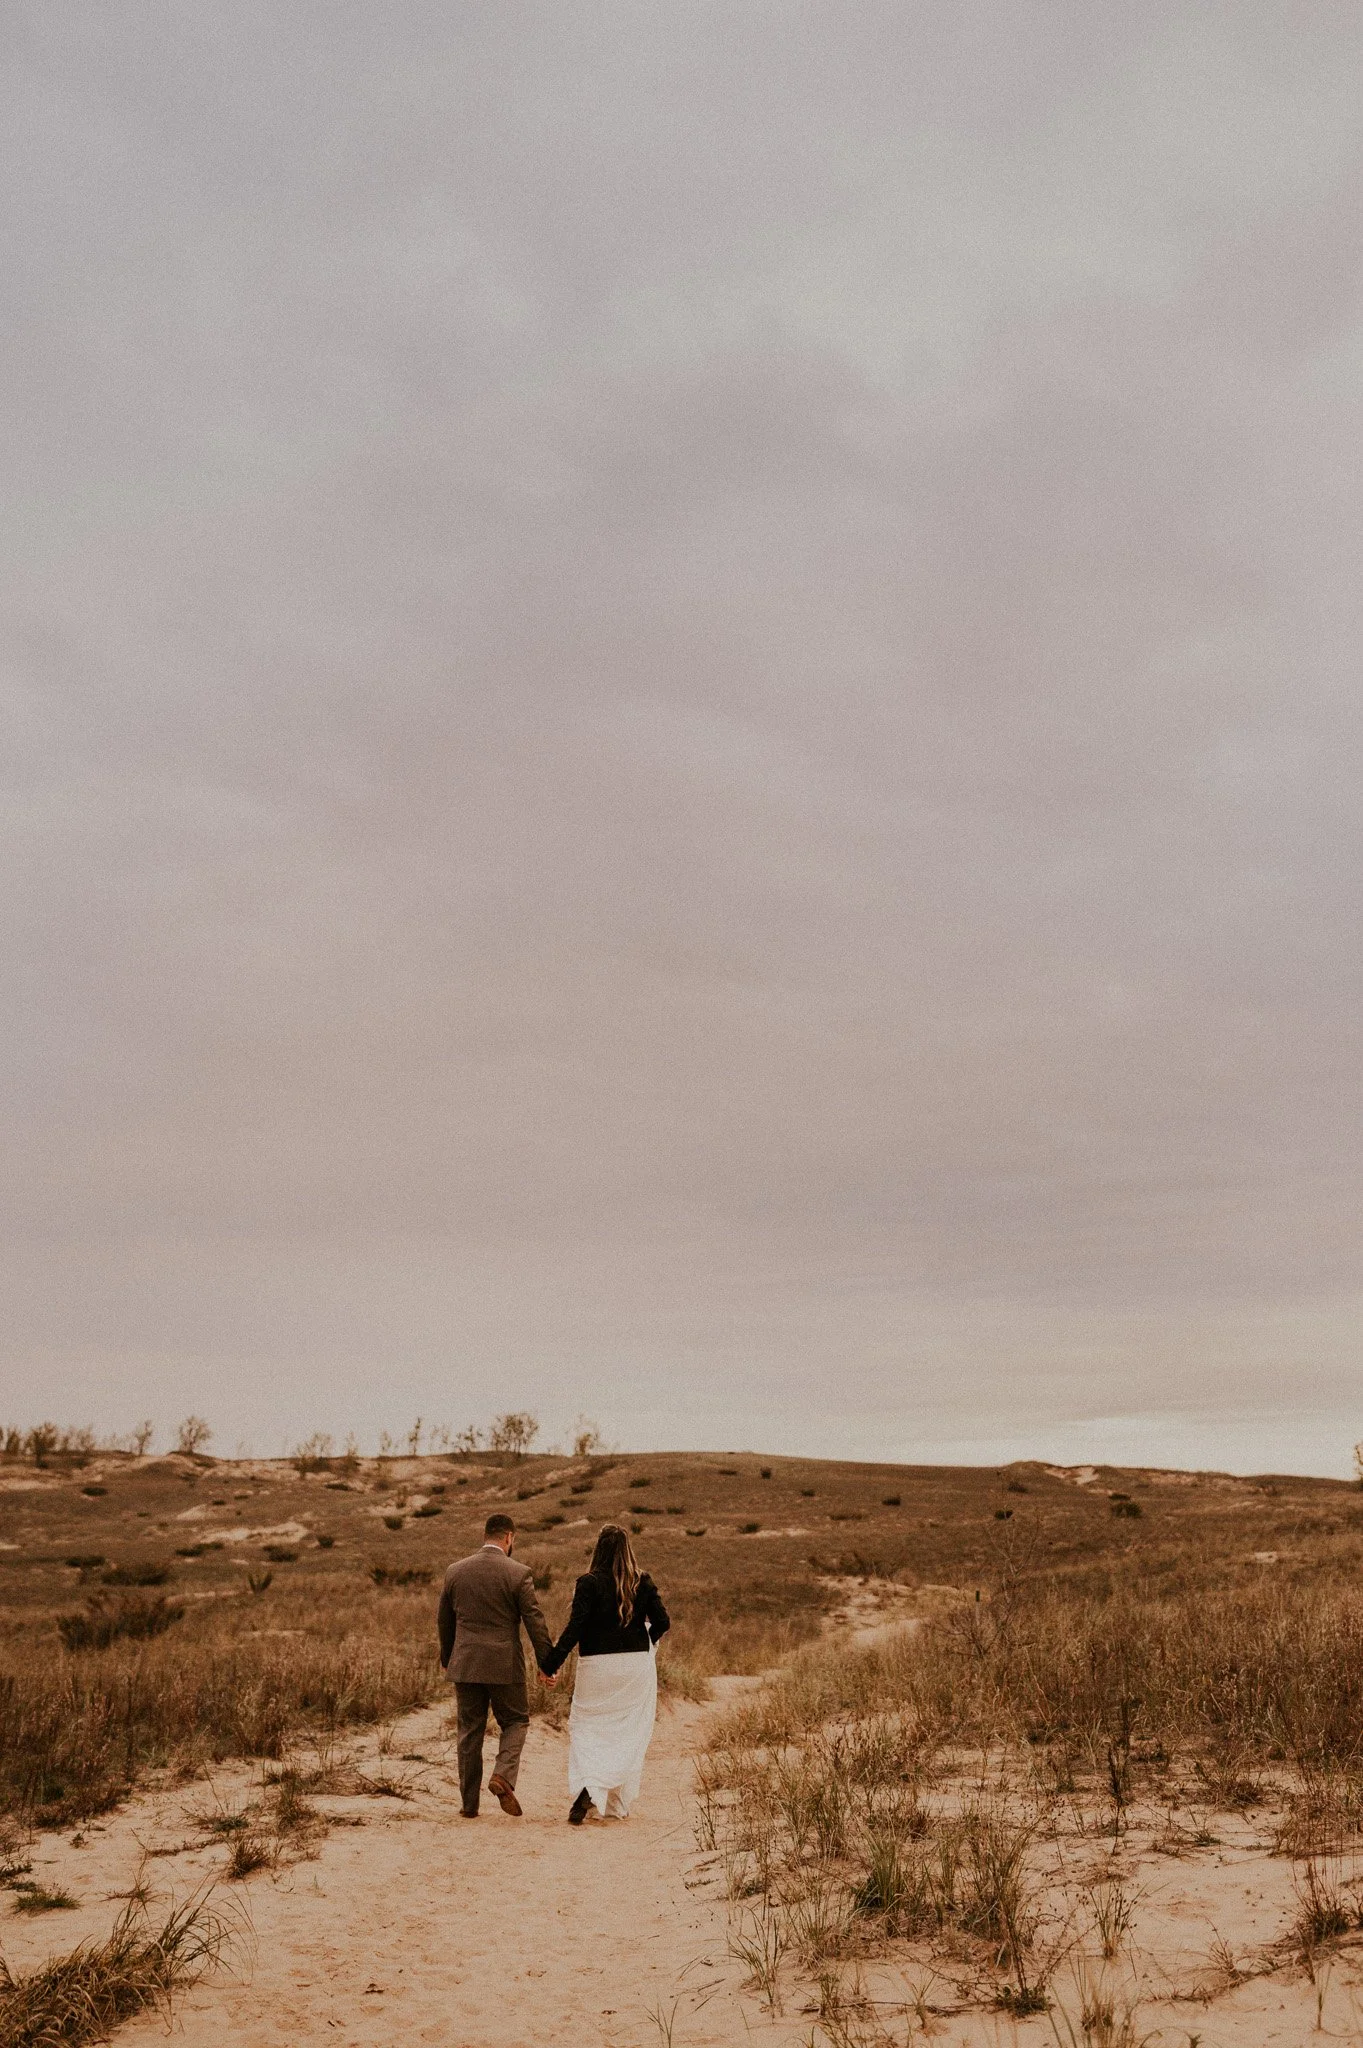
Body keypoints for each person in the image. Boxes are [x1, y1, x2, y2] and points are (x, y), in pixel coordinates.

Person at [542, 1524, 670, 1824]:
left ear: (598, 1549)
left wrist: (550, 1664)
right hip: (634, 1667)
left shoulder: (587, 1583)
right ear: (628, 1551)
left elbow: (575, 1628)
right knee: (626, 1732)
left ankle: (589, 1787)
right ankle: (606, 1797)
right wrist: (646, 1640)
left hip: (596, 1667)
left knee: (588, 1729)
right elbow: (663, 1621)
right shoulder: (643, 1582)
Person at [437, 1512, 556, 1818]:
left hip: (465, 1663)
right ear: (509, 1538)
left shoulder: (455, 1571)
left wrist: (449, 1659)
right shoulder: (518, 1573)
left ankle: (469, 1806)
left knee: (469, 1732)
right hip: (505, 1665)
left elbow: (445, 1622)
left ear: (485, 1535)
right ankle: (502, 1774)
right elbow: (535, 1621)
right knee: (516, 1721)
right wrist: (548, 1662)